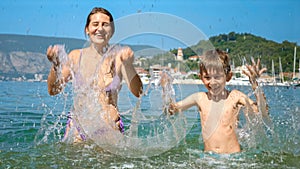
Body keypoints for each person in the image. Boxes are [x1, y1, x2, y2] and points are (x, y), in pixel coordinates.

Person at [46, 7, 143, 142]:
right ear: (87, 29)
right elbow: (53, 90)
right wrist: (55, 65)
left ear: (112, 30)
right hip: (78, 129)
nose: (100, 29)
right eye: (95, 24)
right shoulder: (76, 57)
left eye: (105, 25)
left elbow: (138, 92)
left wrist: (128, 65)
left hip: (110, 127)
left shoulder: (119, 57)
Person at [165, 49, 268, 154]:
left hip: (234, 158)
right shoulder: (199, 98)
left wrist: (255, 84)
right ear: (201, 77)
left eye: (217, 77)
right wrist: (166, 89)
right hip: (208, 158)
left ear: (228, 77)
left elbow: (262, 112)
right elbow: (172, 110)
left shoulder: (235, 96)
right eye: (207, 77)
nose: (212, 82)